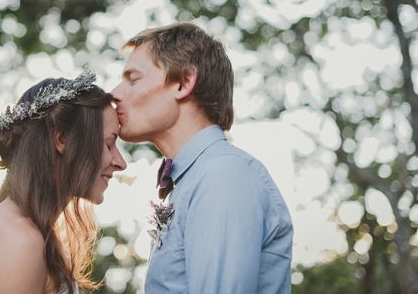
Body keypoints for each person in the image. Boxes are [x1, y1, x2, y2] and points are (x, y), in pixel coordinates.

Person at [111, 22, 293, 293]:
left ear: (183, 83)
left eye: (133, 79)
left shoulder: (224, 176)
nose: (114, 93)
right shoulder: (198, 178)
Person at [0, 70, 127, 294]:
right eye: (108, 145)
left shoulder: (21, 231)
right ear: (62, 139)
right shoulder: (16, 239)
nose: (120, 163)